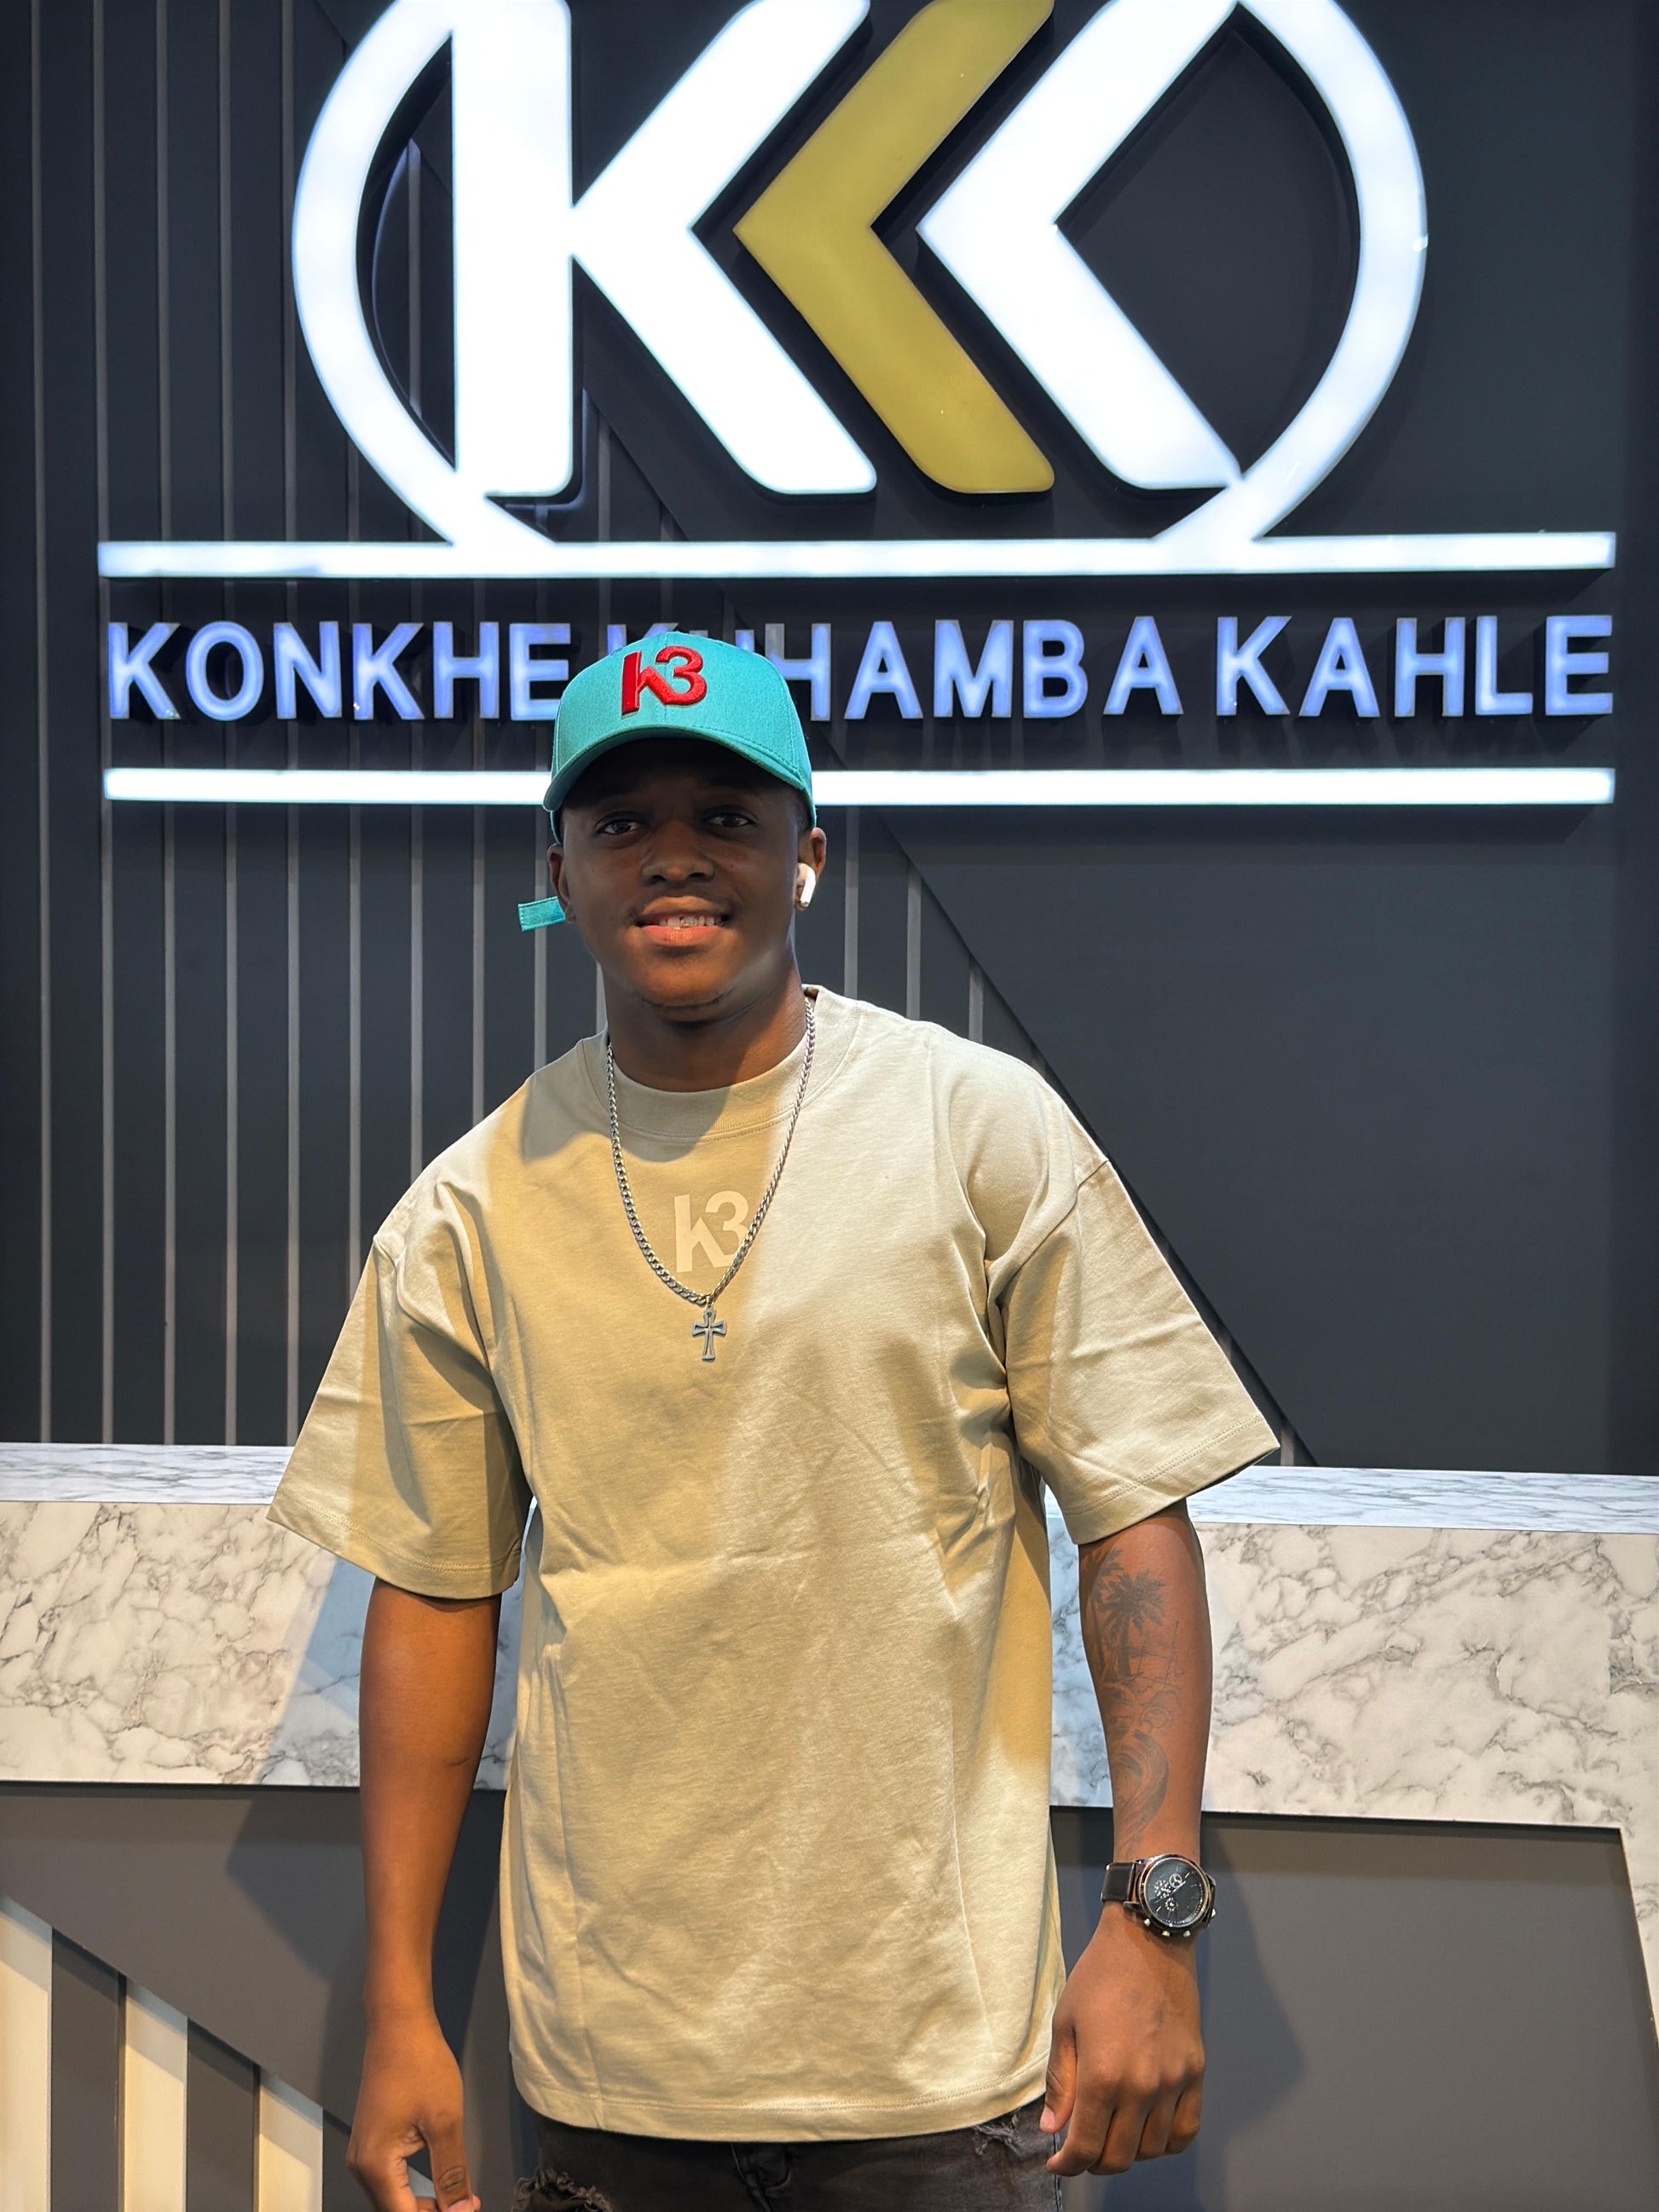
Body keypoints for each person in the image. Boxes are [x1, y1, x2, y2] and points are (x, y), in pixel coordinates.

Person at [269, 632, 1275, 2211]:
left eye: (725, 818)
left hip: (938, 2060)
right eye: (621, 822)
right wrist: (399, 2003)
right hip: (613, 2058)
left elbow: (1134, 1517)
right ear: (558, 872)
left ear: (805, 853)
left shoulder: (975, 1125)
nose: (674, 856)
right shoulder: (468, 1209)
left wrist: (1152, 1920)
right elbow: (435, 1593)